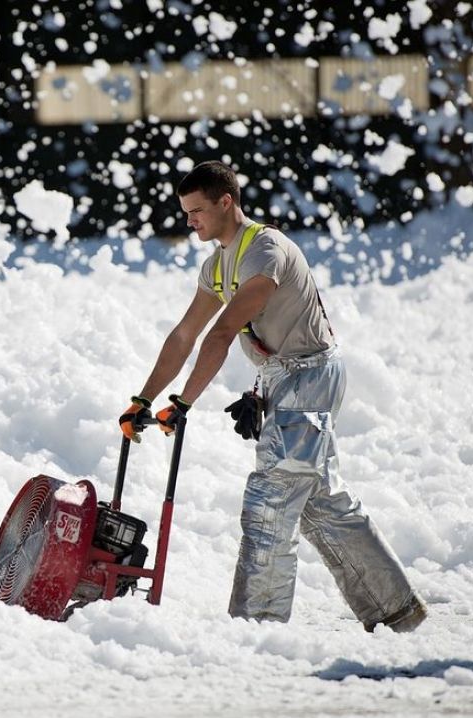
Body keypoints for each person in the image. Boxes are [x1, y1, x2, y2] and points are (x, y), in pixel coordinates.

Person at [119, 161, 426, 632]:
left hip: (310, 375)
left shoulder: (265, 250)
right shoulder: (217, 265)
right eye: (185, 213)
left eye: (197, 210)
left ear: (227, 202)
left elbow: (221, 332)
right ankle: (396, 609)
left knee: (272, 498)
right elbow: (184, 335)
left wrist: (182, 404)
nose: (190, 221)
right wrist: (143, 400)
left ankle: (255, 627)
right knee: (319, 500)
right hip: (284, 378)